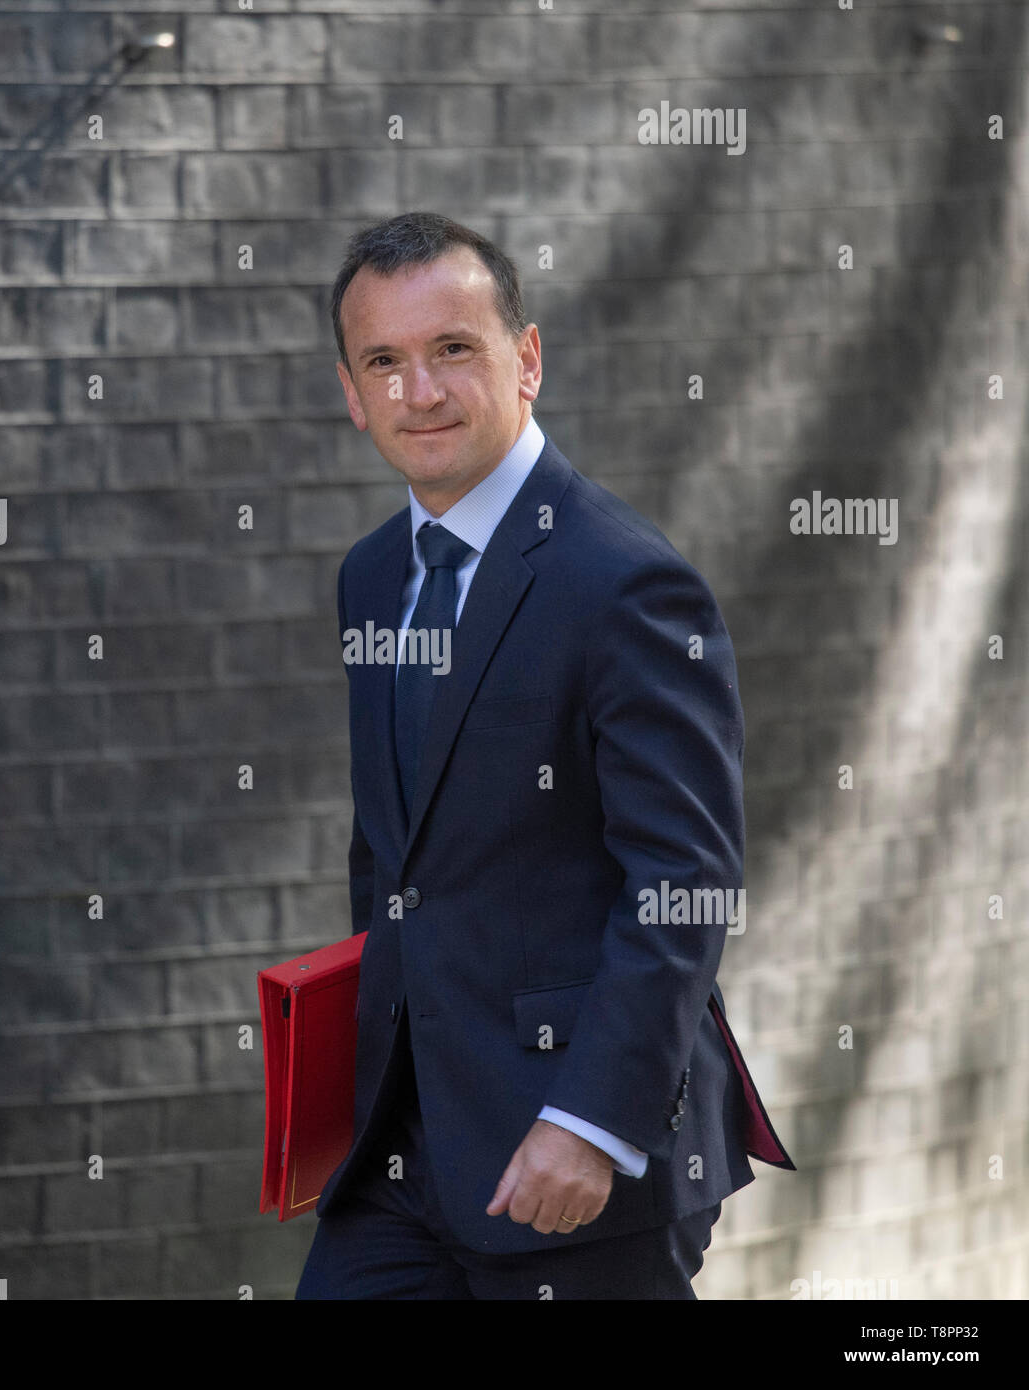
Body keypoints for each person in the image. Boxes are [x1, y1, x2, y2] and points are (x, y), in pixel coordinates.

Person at [296, 211, 794, 1300]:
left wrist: (591, 1120)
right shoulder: (373, 575)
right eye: (384, 361)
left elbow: (685, 882)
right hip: (406, 1151)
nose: (418, 391)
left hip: (578, 1160)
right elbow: (390, 854)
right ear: (350, 391)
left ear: (526, 360)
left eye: (453, 350)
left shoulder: (624, 584)